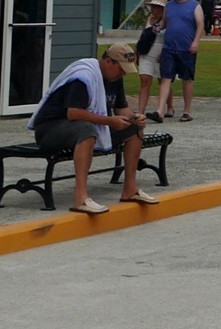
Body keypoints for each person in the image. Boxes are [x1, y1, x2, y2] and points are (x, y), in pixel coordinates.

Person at [32, 44, 151, 214]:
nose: (123, 73)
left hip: (85, 126)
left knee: (135, 128)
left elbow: (120, 108)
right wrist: (110, 121)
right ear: (109, 61)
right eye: (121, 69)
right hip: (51, 129)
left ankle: (130, 189)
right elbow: (74, 113)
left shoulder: (115, 78)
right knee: (87, 130)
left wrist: (134, 117)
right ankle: (81, 198)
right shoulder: (83, 76)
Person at [155, 0, 202, 122]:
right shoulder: (169, 6)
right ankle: (160, 110)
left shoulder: (194, 6)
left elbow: (200, 25)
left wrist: (196, 42)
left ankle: (187, 111)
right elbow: (164, 22)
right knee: (165, 78)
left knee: (187, 79)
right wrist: (158, 27)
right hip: (169, 48)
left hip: (186, 48)